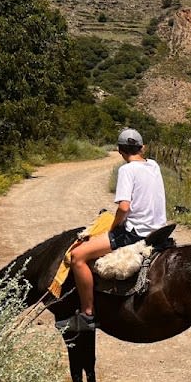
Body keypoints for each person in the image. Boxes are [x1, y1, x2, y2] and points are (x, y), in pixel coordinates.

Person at [69, 128, 167, 329]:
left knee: (77, 256)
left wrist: (114, 227)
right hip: (158, 230)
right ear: (142, 147)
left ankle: (87, 314)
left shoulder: (126, 170)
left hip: (136, 232)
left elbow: (124, 207)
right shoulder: (154, 165)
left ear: (120, 150)